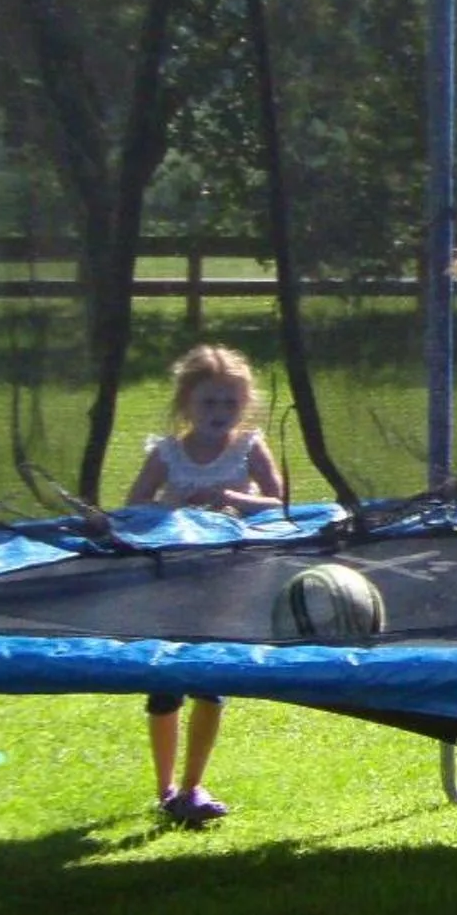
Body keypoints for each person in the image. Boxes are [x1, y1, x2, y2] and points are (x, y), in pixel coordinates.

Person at [124, 343, 285, 825]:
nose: (219, 413)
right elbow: (132, 506)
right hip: (172, 577)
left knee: (212, 679)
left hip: (227, 577)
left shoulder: (248, 447)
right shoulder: (168, 452)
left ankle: (194, 784)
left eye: (229, 403)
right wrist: (170, 503)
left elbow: (281, 503)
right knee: (166, 683)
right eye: (208, 403)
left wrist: (233, 497)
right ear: (186, 405)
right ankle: (165, 786)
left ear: (245, 404)